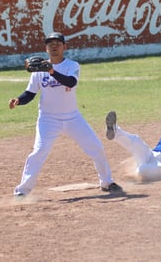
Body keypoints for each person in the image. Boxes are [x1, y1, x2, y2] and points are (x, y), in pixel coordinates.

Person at [9, 32, 121, 196]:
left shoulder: (72, 65)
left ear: (64, 47)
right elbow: (30, 94)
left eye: (57, 44)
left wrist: (52, 71)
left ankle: (107, 182)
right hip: (48, 119)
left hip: (72, 118)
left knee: (96, 147)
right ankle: (22, 191)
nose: (54, 47)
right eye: (50, 44)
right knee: (38, 152)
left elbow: (71, 82)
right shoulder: (39, 71)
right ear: (46, 49)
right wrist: (18, 100)